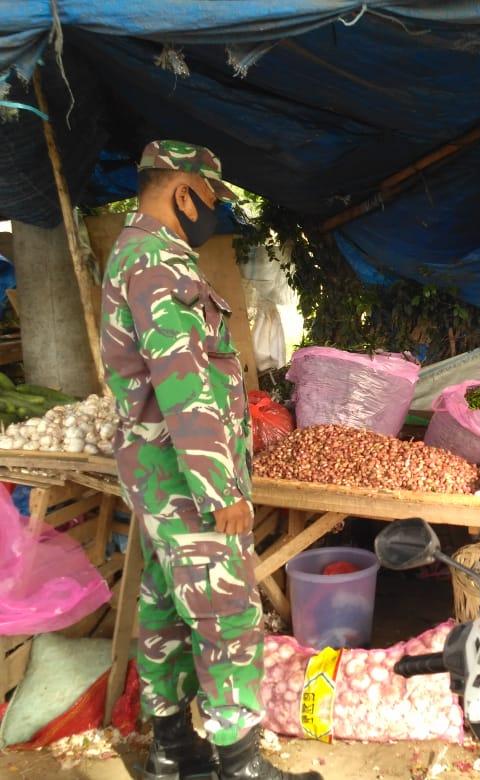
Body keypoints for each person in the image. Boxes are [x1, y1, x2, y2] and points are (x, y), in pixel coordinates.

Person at [100, 140, 321, 780]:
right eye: (213, 201)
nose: (215, 215)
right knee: (226, 610)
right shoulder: (158, 263)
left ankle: (173, 750)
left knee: (168, 605)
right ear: (185, 191)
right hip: (185, 472)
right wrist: (221, 488)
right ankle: (239, 762)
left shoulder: (137, 253)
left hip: (161, 469)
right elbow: (182, 384)